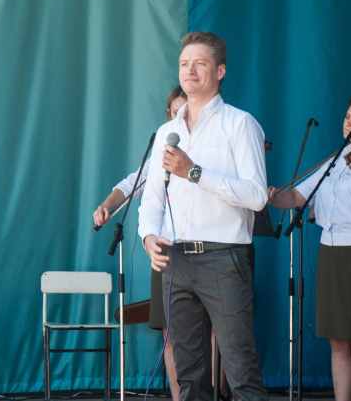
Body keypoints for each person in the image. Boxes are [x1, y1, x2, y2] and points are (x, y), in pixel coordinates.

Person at [139, 31, 269, 401]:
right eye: (184, 63)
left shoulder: (240, 124)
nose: (190, 70)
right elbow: (152, 200)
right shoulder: (167, 132)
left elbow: (257, 196)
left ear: (220, 71)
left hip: (223, 259)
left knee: (241, 368)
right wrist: (148, 236)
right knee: (189, 374)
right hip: (176, 261)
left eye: (200, 63)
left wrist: (194, 172)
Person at [268, 93, 351, 401]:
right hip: (331, 251)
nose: (347, 123)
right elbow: (297, 196)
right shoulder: (337, 158)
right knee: (337, 340)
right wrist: (271, 196)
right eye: (347, 117)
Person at [93, 85, 186, 401]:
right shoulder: (160, 154)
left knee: (212, 333)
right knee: (170, 333)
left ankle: (218, 392)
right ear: (168, 116)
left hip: (204, 252)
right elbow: (129, 185)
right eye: (175, 113)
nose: (180, 118)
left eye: (186, 112)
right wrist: (106, 206)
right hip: (166, 252)